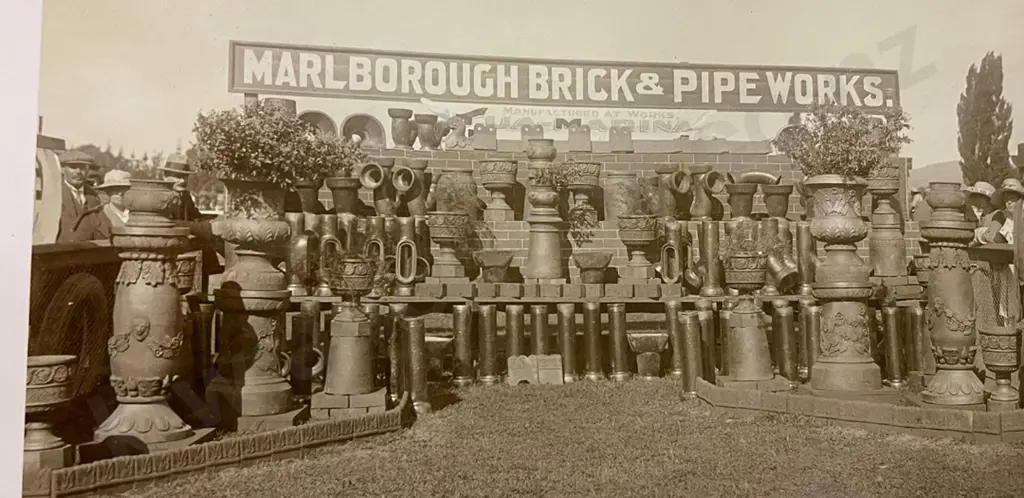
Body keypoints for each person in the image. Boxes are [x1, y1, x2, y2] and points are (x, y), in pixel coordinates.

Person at [55, 150, 111, 242]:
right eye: (73, 167)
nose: (78, 172)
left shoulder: (94, 197)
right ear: (62, 169)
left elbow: (104, 231)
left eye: (83, 168)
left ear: (88, 170)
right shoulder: (54, 194)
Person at [159, 153, 203, 221]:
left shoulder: (186, 196)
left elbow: (196, 216)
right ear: (165, 176)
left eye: (185, 176)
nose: (183, 181)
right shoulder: (157, 197)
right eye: (178, 176)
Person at [990, 178, 1024, 245]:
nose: (1009, 202)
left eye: (1013, 198)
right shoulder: (1009, 221)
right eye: (1006, 199)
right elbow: (998, 239)